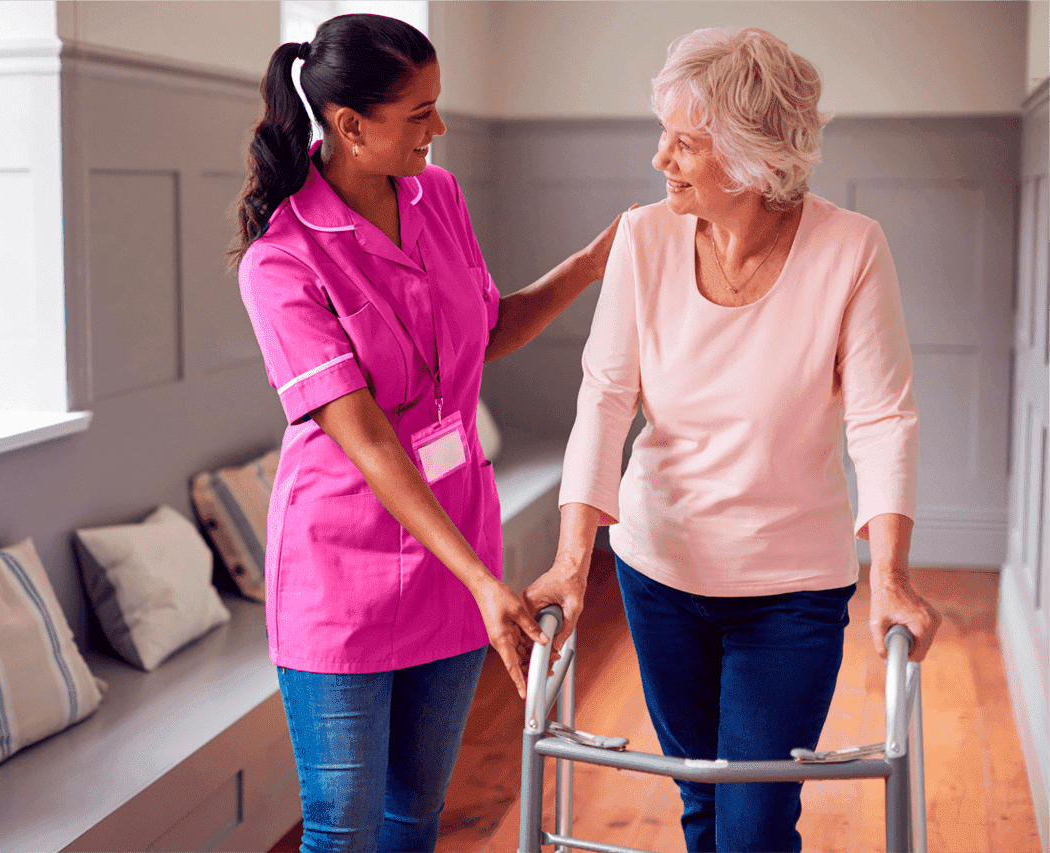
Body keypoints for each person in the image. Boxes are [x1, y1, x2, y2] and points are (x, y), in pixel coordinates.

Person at [523, 27, 943, 853]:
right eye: (663, 135)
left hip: (790, 588)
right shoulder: (643, 238)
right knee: (700, 800)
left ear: (754, 160)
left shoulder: (850, 248)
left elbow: (881, 417)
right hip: (658, 569)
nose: (659, 159)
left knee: (752, 823)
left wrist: (890, 577)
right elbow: (605, 400)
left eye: (684, 143)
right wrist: (573, 565)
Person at [231, 14, 618, 853]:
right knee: (343, 825)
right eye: (419, 114)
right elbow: (366, 439)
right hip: (342, 575)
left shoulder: (436, 196)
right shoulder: (280, 261)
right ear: (349, 126)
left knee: (415, 816)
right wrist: (485, 580)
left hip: (453, 559)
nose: (438, 130)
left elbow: (488, 329)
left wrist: (588, 265)